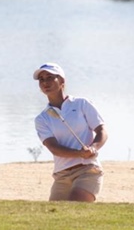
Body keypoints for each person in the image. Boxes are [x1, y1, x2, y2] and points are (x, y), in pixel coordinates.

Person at [33, 63, 108, 202]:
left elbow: (101, 130)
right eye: (41, 79)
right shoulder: (42, 118)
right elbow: (54, 148)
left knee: (75, 207)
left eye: (50, 77)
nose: (45, 82)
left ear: (62, 81)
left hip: (88, 170)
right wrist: (79, 153)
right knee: (54, 217)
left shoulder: (82, 104)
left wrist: (94, 148)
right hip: (61, 175)